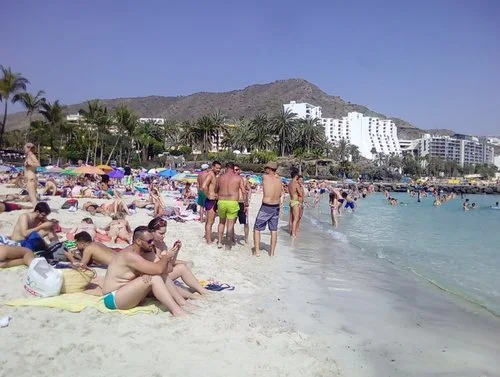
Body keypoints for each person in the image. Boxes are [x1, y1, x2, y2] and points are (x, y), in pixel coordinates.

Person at [102, 226, 188, 316]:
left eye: (153, 240)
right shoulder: (129, 254)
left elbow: (168, 269)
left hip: (129, 292)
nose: (153, 243)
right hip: (113, 297)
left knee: (159, 274)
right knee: (154, 277)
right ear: (138, 242)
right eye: (149, 241)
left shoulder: (145, 251)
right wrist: (166, 258)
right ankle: (177, 311)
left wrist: (170, 256)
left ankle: (182, 302)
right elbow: (159, 269)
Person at [147, 217, 209, 297]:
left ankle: (203, 291)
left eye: (165, 233)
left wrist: (176, 251)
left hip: (163, 273)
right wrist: (166, 257)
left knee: (182, 267)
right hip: (155, 277)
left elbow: (171, 263)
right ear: (152, 232)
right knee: (181, 268)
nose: (163, 236)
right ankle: (200, 293)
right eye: (161, 233)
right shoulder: (148, 246)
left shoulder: (161, 244)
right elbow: (155, 266)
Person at [216, 162, 247, 250]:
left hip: (221, 201)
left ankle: (219, 242)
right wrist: (246, 203)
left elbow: (216, 189)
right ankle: (228, 245)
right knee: (230, 225)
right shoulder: (238, 178)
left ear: (226, 168)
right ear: (233, 168)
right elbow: (244, 191)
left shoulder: (220, 177)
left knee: (221, 222)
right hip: (232, 202)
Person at [253, 162, 282, 257]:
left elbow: (264, 176)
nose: (265, 170)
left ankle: (257, 251)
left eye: (266, 168)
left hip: (267, 206)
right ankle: (272, 252)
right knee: (273, 230)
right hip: (276, 206)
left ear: (269, 169)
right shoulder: (279, 179)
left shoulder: (265, 177)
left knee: (257, 228)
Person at [201, 161, 221, 244]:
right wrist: (208, 195)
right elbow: (203, 186)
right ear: (212, 167)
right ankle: (208, 240)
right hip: (211, 200)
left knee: (210, 221)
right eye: (217, 168)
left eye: (219, 168)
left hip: (214, 200)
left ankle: (207, 237)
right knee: (210, 221)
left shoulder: (215, 175)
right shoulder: (210, 174)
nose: (218, 170)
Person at [234, 164, 251, 244]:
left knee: (246, 222)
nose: (235, 171)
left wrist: (248, 200)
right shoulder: (232, 180)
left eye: (237, 169)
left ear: (240, 170)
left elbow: (249, 189)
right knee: (232, 221)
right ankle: (232, 236)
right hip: (234, 202)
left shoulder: (244, 179)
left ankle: (246, 237)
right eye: (234, 170)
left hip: (242, 203)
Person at [24, 143, 40, 207]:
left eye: (25, 148)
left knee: (32, 196)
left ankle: (36, 210)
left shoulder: (32, 156)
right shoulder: (29, 156)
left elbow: (38, 164)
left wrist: (30, 164)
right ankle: (36, 209)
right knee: (32, 196)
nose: (24, 149)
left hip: (31, 178)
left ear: (28, 149)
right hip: (30, 179)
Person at [288, 169, 302, 239]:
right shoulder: (296, 184)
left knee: (291, 218)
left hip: (291, 201)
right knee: (296, 219)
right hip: (295, 202)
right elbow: (300, 193)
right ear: (296, 176)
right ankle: (293, 234)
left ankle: (291, 231)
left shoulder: (289, 183)